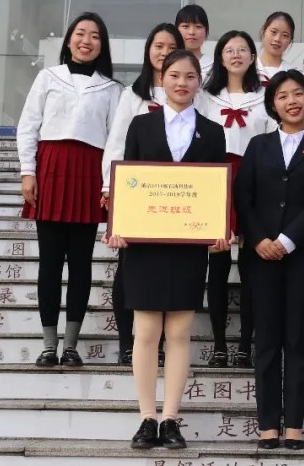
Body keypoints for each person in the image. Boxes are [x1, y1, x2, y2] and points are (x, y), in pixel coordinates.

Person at [109, 50, 229, 450]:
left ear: (199, 82)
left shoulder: (213, 132)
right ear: (162, 79)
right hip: (145, 245)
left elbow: (216, 190)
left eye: (190, 76)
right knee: (145, 332)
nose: (182, 83)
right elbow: (129, 179)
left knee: (179, 332)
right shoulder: (141, 125)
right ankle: (147, 417)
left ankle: (171, 418)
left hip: (187, 246)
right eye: (174, 75)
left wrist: (220, 229)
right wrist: (118, 226)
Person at [234, 70, 304, 450]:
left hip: (303, 255)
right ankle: (267, 425)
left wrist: (288, 240)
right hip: (260, 256)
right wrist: (260, 239)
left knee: (297, 339)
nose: (291, 101)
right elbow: (243, 198)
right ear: (272, 104)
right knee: (266, 340)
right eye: (282, 96)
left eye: (298, 94)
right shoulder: (257, 145)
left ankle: (294, 424)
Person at [17, 12, 121, 369]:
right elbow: (28, 126)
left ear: (102, 45)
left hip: (88, 174)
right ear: (69, 39)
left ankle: (71, 345)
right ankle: (49, 345)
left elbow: (114, 141)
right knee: (49, 263)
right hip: (51, 169)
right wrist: (28, 172)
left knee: (80, 264)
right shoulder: (48, 77)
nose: (86, 41)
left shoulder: (112, 89)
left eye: (95, 36)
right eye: (80, 33)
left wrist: (108, 185)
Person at [101, 23, 184, 367]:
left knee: (168, 271)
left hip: (178, 197)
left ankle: (159, 343)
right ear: (148, 50)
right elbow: (116, 143)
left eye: (171, 47)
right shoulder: (132, 95)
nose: (164, 53)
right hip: (138, 196)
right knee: (128, 269)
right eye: (158, 46)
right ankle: (127, 342)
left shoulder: (190, 91)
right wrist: (109, 186)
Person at [197, 30, 275, 368]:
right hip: (216, 179)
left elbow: (272, 140)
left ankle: (245, 344)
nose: (236, 55)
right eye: (229, 50)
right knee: (217, 265)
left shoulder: (265, 97)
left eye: (243, 49)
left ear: (253, 57)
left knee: (250, 267)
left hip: (254, 179)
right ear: (220, 57)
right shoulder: (204, 97)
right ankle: (218, 345)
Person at [256, 12, 298, 85]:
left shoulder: (294, 75)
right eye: (273, 32)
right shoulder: (248, 69)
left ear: (290, 40)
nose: (277, 39)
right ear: (264, 32)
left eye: (285, 35)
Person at [176, 4, 213, 83]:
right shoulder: (168, 63)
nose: (192, 32)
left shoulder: (214, 67)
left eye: (198, 26)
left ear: (206, 32)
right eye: (185, 26)